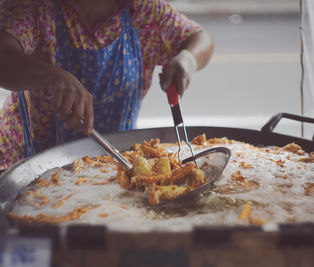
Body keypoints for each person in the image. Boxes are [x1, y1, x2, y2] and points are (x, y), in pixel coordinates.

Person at [0, 0, 214, 171]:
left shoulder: (144, 10)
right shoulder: (34, 7)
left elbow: (200, 37)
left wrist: (188, 58)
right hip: (31, 165)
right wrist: (52, 75)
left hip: (115, 163)